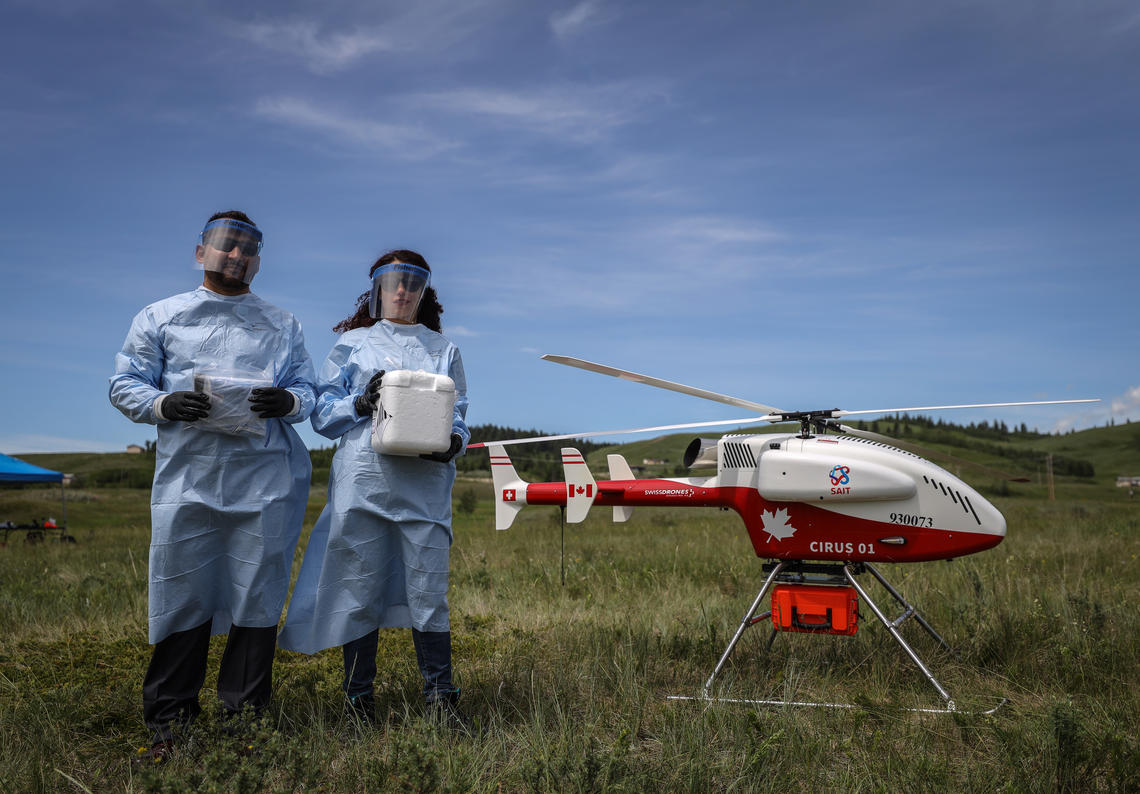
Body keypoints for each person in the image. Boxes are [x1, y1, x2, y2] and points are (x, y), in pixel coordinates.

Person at [109, 210, 316, 762]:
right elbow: (124, 382)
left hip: (264, 479)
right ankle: (170, 723)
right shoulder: (162, 316)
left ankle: (244, 722)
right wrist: (164, 403)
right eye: (226, 245)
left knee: (256, 593)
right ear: (200, 251)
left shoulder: (281, 323)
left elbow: (307, 389)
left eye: (250, 248)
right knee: (183, 590)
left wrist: (288, 402)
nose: (238, 255)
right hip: (189, 479)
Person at [279, 249, 470, 727]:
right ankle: (358, 703)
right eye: (394, 281)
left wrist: (454, 442)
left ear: (424, 290)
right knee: (358, 587)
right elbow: (321, 413)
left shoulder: (441, 349)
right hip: (363, 480)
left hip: (424, 484)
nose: (403, 290)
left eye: (412, 282)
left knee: (429, 588)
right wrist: (360, 403)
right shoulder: (353, 344)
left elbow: (459, 412)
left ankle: (441, 701)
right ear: (377, 288)